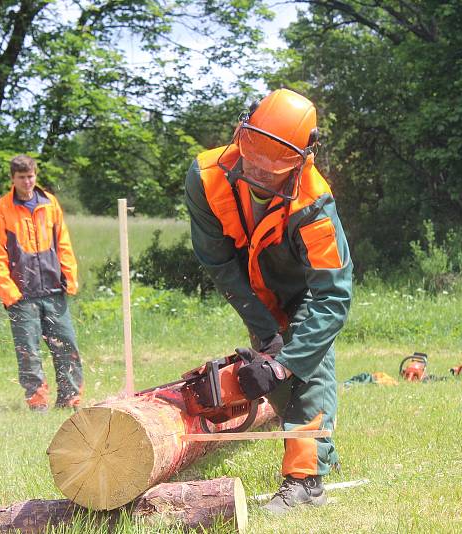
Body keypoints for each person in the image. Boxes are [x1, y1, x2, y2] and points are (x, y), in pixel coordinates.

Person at [184, 89, 352, 513]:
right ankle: (310, 440)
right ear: (244, 132)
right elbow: (219, 263)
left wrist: (285, 361)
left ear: (300, 158)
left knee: (307, 377)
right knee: (281, 393)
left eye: (270, 165)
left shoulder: (314, 204)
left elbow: (332, 294)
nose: (257, 170)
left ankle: (305, 482)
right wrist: (264, 333)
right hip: (251, 288)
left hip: (304, 294)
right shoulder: (205, 176)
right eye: (252, 155)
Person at [0, 155, 84, 411]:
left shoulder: (50, 203)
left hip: (54, 290)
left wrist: (70, 278)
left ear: (35, 175)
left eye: (30, 176)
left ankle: (70, 399)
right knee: (28, 353)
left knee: (66, 347)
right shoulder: (1, 209)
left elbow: (63, 243)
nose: (27, 182)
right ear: (13, 179)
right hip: (22, 296)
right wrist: (9, 293)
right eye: (22, 177)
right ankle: (37, 403)